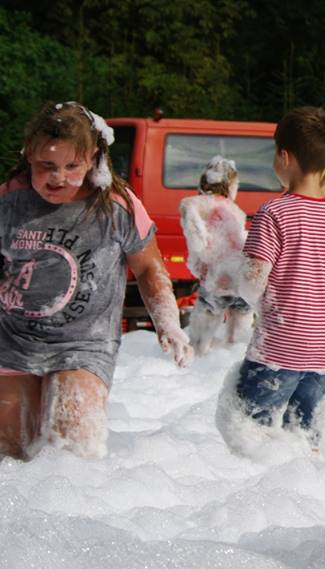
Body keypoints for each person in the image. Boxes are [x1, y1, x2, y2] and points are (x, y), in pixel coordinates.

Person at [0, 101, 192, 460]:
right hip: (13, 340)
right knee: (8, 453)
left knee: (72, 448)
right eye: (46, 167)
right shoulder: (10, 200)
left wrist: (168, 323)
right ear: (29, 157)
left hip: (84, 343)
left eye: (71, 166)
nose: (58, 177)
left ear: (92, 159)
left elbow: (149, 268)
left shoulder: (114, 206)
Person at [220, 106, 325, 448]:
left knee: (250, 434)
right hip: (323, 350)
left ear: (283, 157)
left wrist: (246, 293)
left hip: (279, 346)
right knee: (306, 437)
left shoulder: (274, 212)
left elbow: (254, 279)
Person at [179, 155, 253, 355]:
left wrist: (200, 267)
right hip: (240, 280)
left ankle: (196, 371)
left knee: (199, 343)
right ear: (232, 184)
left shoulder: (192, 204)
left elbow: (197, 243)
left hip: (215, 281)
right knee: (236, 344)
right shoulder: (234, 209)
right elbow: (238, 242)